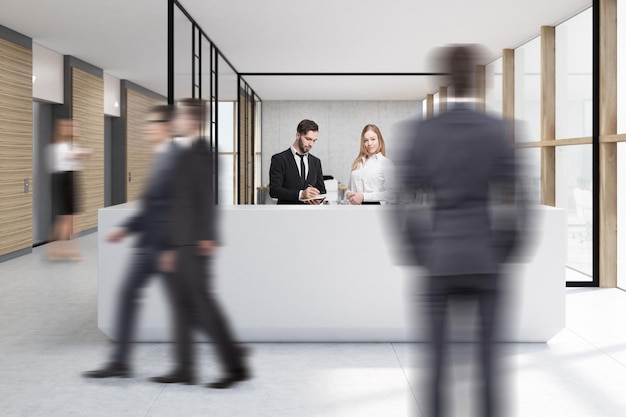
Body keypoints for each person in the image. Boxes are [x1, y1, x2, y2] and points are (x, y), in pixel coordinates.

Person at [395, 45, 525, 417]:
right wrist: (506, 250)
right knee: (488, 367)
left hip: (439, 259)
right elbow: (521, 200)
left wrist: (417, 250)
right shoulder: (498, 129)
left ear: (445, 81)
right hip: (486, 259)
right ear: (476, 78)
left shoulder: (422, 131)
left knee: (435, 366)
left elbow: (402, 200)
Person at [151, 98, 249, 389]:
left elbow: (207, 197)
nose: (176, 121)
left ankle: (234, 365)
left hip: (196, 243)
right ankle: (185, 368)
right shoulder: (184, 152)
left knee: (202, 305)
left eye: (180, 116)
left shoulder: (204, 153)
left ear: (192, 120)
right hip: (180, 242)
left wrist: (206, 236)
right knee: (181, 306)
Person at [83, 105, 180, 379]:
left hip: (165, 247)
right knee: (127, 297)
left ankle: (191, 363)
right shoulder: (160, 157)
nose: (146, 128)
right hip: (147, 245)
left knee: (182, 305)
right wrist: (126, 228)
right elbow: (152, 205)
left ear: (166, 126)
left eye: (152, 123)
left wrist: (172, 247)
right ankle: (121, 362)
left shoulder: (174, 160)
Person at [46, 119, 90, 261]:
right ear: (60, 129)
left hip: (72, 178)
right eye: (68, 127)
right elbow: (60, 163)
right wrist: (75, 156)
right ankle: (62, 250)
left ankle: (62, 250)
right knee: (66, 218)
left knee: (72, 217)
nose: (71, 129)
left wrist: (79, 156)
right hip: (62, 180)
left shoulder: (72, 145)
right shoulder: (55, 147)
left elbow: (78, 161)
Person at [269, 119, 326, 204]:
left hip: (310, 214)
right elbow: (274, 191)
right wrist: (301, 194)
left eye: (314, 140)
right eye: (308, 139)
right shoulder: (279, 159)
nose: (311, 144)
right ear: (298, 135)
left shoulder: (316, 162)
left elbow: (321, 190)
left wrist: (318, 199)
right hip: (286, 214)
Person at [346, 124, 395, 205]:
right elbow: (349, 188)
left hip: (374, 211)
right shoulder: (357, 162)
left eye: (373, 139)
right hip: (354, 211)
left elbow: (392, 194)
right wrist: (348, 194)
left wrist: (363, 197)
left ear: (379, 140)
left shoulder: (385, 163)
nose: (369, 143)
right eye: (365, 140)